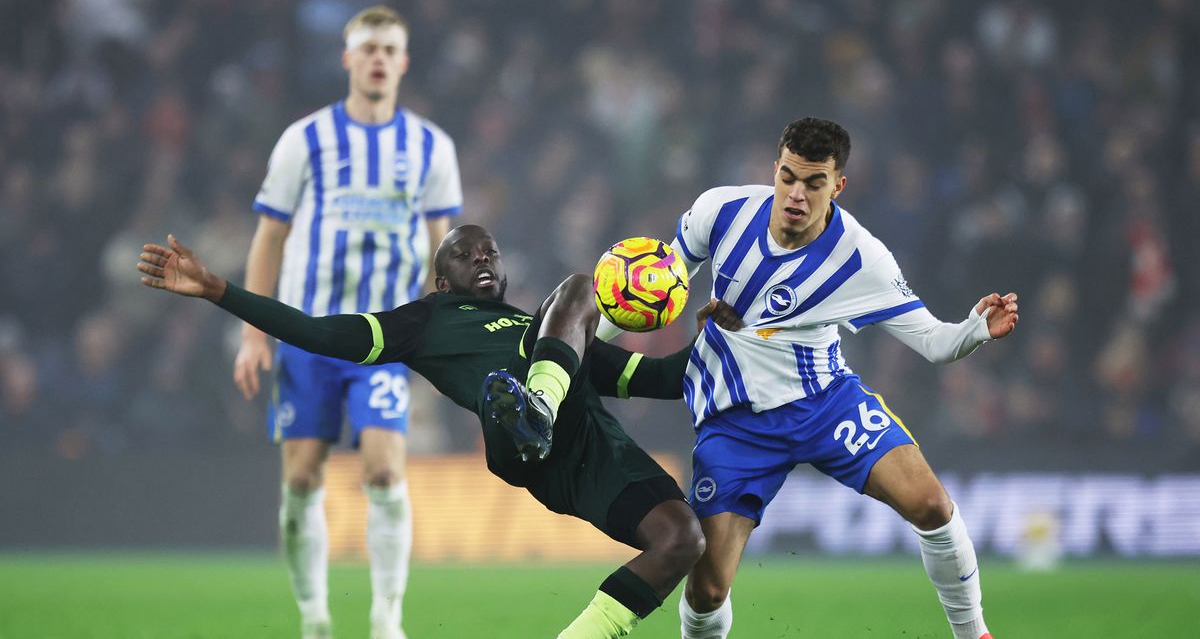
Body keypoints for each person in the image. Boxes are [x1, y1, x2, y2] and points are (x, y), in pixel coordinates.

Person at [138, 225, 707, 639]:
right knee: (581, 286)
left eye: (490, 250)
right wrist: (220, 292)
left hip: (598, 452)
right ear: (442, 279)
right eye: (464, 254)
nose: (481, 257)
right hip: (521, 444)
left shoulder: (551, 333)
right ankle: (529, 408)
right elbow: (318, 332)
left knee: (684, 540)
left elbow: (658, 378)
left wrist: (723, 336)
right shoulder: (429, 319)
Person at [661, 118, 1017, 639]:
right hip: (736, 423)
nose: (796, 194)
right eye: (788, 177)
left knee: (933, 506)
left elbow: (935, 342)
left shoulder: (861, 258)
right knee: (707, 589)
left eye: (814, 183)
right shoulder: (721, 211)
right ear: (775, 169)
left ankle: (975, 634)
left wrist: (975, 329)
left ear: (838, 185)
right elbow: (654, 285)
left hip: (826, 404)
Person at [232, 6, 462, 639]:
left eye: (390, 48)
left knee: (386, 471)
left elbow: (445, 249)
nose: (379, 59)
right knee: (303, 480)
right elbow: (268, 238)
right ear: (348, 59)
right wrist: (254, 333)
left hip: (382, 340)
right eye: (369, 49)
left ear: (404, 61)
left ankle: (386, 619)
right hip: (307, 335)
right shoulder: (303, 139)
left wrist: (440, 331)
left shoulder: (430, 148)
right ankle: (314, 618)